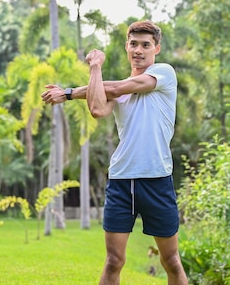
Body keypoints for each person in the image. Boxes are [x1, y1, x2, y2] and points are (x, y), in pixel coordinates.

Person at [41, 20, 188, 285]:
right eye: (134, 44)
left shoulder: (164, 73)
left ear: (157, 48)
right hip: (121, 181)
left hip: (156, 179)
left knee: (171, 261)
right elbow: (98, 108)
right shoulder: (118, 87)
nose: (139, 50)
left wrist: (69, 92)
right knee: (113, 261)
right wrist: (94, 67)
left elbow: (117, 89)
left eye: (146, 45)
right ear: (126, 47)